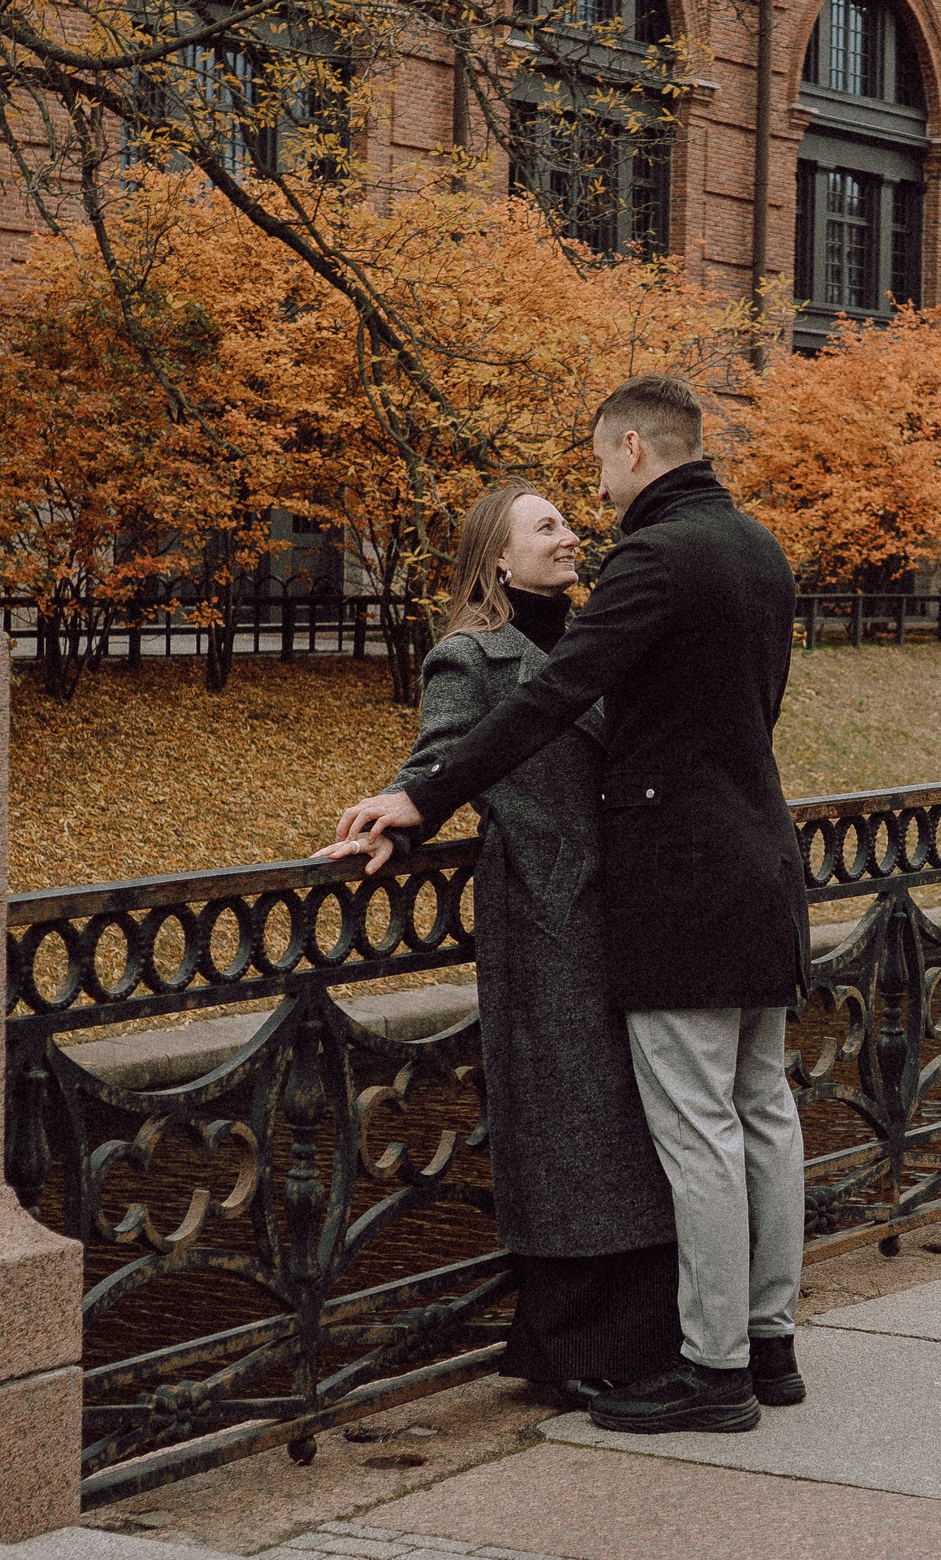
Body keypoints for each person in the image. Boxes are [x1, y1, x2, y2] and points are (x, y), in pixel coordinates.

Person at [334, 372, 810, 1435]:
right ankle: (770, 1348)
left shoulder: (656, 557)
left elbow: (555, 695)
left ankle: (718, 1371)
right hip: (760, 866)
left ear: (636, 449)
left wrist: (418, 798)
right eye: (547, 516)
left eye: (595, 468)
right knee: (764, 1113)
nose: (592, 500)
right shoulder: (761, 551)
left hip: (678, 887)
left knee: (703, 1133)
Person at [331, 484, 684, 1397]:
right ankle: (574, 1353)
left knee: (637, 1128)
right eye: (547, 527)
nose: (572, 537)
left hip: (633, 908)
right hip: (550, 917)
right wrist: (396, 825)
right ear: (497, 555)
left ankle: (643, 1338)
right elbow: (439, 759)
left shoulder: (599, 635)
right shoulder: (468, 656)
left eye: (570, 521)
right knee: (575, 1130)